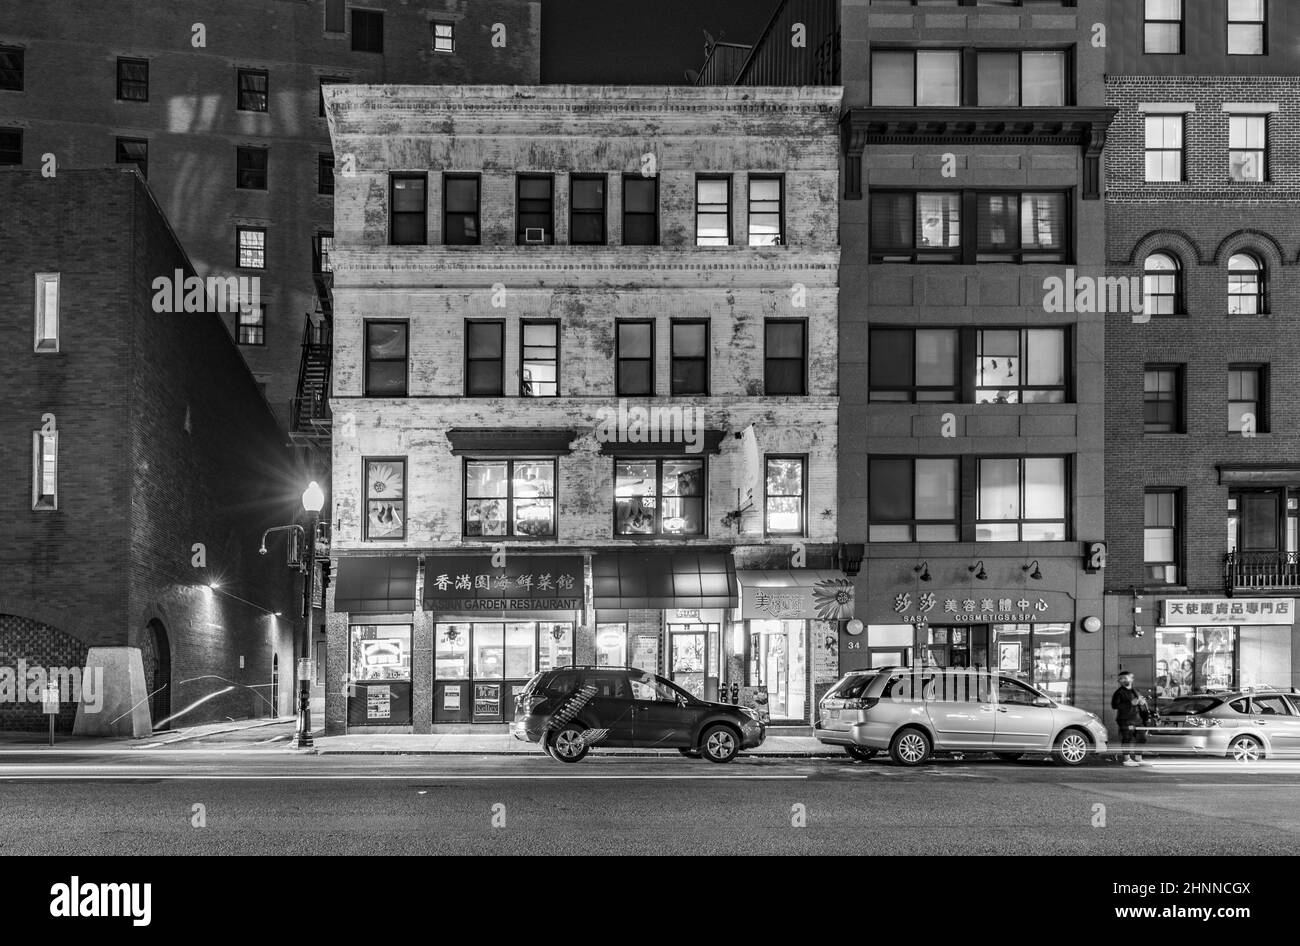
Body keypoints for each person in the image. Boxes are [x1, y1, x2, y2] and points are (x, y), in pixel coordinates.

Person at [1111, 670, 1150, 766]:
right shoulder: (1119, 693)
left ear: (1131, 679)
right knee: (1127, 738)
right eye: (1120, 679)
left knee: (1142, 738)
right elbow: (1115, 705)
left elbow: (1140, 703)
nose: (1122, 680)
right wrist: (1130, 703)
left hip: (1138, 719)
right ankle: (1127, 759)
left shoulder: (1136, 691)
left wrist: (1142, 703)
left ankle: (1138, 758)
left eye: (1124, 678)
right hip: (1126, 720)